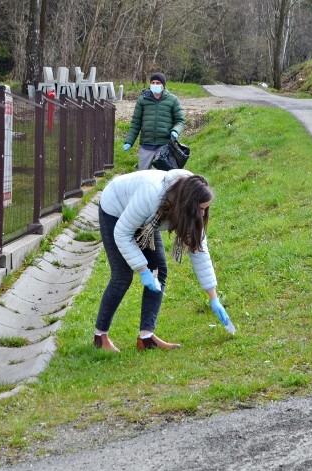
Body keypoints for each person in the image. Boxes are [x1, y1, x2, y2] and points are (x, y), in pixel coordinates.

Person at [93, 169, 232, 352]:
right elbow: (122, 233)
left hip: (147, 218)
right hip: (116, 210)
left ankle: (146, 338)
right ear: (188, 204)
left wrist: (214, 298)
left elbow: (198, 250)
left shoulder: (188, 204)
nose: (202, 214)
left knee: (158, 271)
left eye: (205, 209)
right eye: (200, 209)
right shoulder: (152, 196)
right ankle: (100, 336)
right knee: (122, 276)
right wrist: (142, 270)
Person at [122, 72, 185, 170]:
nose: (155, 85)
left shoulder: (173, 100)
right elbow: (136, 123)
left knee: (165, 176)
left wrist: (175, 131)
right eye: (153, 83)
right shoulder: (142, 100)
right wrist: (129, 141)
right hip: (146, 145)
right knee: (142, 175)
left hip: (164, 146)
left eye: (158, 83)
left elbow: (180, 120)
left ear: (163, 85)